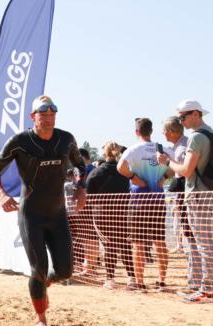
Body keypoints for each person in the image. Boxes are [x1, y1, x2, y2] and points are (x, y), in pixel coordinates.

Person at [0, 95, 86, 326]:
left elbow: (80, 165)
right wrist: (1, 194)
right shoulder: (21, 141)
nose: (49, 119)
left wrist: (81, 187)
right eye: (44, 115)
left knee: (65, 271)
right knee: (38, 268)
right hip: (31, 214)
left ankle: (43, 286)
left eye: (53, 115)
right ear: (33, 117)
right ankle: (40, 317)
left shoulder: (65, 139)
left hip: (57, 214)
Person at [158, 100, 213, 303]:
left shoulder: (196, 138)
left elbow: (186, 170)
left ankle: (207, 289)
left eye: (183, 117)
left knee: (204, 245)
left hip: (199, 195)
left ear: (195, 114)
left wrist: (167, 161)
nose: (181, 122)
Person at [118, 118, 170, 291]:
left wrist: (133, 178)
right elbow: (176, 165)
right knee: (159, 241)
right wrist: (164, 177)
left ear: (136, 132)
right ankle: (162, 281)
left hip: (139, 200)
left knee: (138, 243)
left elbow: (120, 167)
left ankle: (140, 282)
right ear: (151, 131)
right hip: (157, 200)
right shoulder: (161, 148)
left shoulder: (133, 149)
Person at [86, 141, 134, 289]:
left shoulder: (96, 172)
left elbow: (89, 195)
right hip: (123, 212)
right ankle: (131, 278)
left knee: (108, 246)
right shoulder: (125, 171)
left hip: (102, 213)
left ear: (103, 154)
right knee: (125, 245)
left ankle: (110, 279)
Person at [161, 116, 201, 293]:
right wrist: (163, 177)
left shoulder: (183, 148)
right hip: (185, 197)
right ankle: (195, 279)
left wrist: (167, 163)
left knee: (191, 239)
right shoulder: (178, 147)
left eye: (164, 131)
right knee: (189, 238)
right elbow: (176, 170)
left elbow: (185, 171)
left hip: (188, 198)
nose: (163, 135)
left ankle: (196, 281)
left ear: (171, 132)